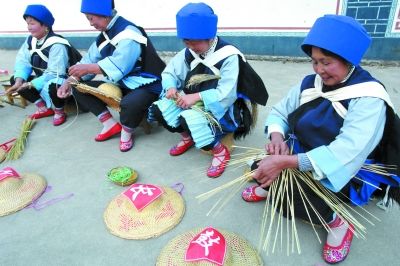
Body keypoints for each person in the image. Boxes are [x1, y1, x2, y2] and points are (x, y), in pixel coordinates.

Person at [241, 15, 400, 263]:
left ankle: (338, 224)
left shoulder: (368, 98)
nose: (318, 70)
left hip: (345, 168)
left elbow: (348, 152)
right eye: (314, 61)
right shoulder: (310, 83)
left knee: (293, 191)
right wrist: (277, 137)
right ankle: (272, 183)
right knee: (258, 167)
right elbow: (281, 111)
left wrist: (286, 162)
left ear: (348, 61)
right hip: (302, 150)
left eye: (326, 62)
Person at [152, 2, 267, 178]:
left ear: (209, 35)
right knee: (161, 109)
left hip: (222, 106)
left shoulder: (229, 56)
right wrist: (171, 87)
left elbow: (226, 94)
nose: (190, 46)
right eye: (186, 42)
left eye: (194, 42)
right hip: (194, 100)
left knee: (190, 118)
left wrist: (196, 96)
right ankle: (187, 137)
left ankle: (220, 151)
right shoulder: (188, 52)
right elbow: (170, 72)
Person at [57, 0, 165, 152]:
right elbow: (88, 60)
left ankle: (126, 132)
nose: (90, 23)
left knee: (129, 104)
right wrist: (69, 81)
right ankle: (109, 125)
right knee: (78, 88)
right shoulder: (103, 38)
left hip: (146, 83)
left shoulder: (129, 32)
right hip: (122, 82)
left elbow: (121, 65)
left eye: (90, 18)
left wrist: (88, 68)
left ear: (104, 14)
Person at [6, 4, 79, 126]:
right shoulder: (30, 40)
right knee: (15, 79)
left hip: (64, 81)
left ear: (45, 25)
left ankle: (60, 111)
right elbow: (22, 61)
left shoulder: (57, 44)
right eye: (28, 24)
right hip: (43, 78)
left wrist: (30, 84)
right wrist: (20, 80)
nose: (29, 28)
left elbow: (55, 73)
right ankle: (43, 108)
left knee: (53, 85)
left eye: (32, 23)